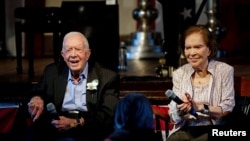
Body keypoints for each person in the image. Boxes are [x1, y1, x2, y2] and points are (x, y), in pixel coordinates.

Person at [25, 31, 120, 141]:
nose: (73, 55)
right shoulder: (52, 72)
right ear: (63, 55)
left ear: (87, 54)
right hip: (56, 128)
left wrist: (75, 122)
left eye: (78, 49)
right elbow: (35, 92)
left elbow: (108, 116)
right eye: (69, 50)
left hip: (89, 129)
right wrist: (36, 98)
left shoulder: (107, 77)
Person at [166, 25, 235, 141]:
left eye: (197, 47)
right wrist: (181, 110)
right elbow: (173, 117)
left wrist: (200, 107)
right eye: (188, 48)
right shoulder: (179, 74)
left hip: (214, 131)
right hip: (185, 130)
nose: (191, 53)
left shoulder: (224, 71)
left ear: (209, 49)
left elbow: (226, 111)